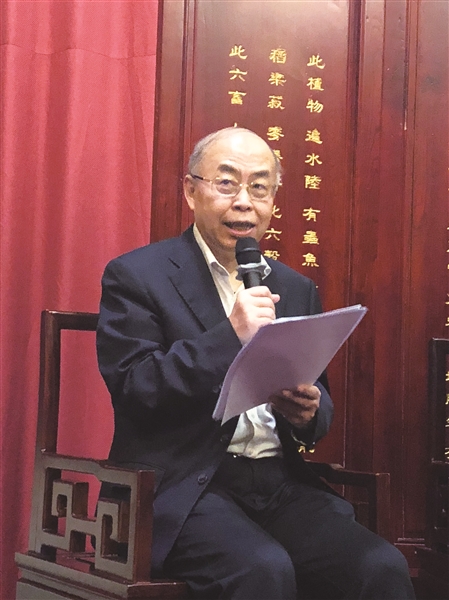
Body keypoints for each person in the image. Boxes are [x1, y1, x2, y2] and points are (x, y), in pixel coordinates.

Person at [96, 127, 415, 599]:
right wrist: (230, 336)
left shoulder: (294, 287)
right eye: (226, 183)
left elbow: (320, 405)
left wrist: (307, 410)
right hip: (183, 488)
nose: (244, 202)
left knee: (380, 567)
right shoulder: (138, 275)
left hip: (277, 484)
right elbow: (135, 386)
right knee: (263, 570)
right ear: (191, 191)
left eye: (260, 187)